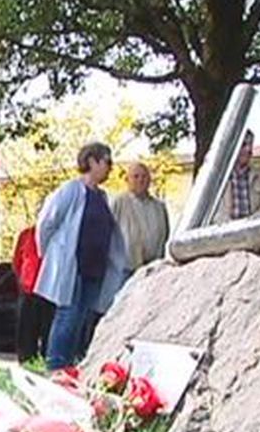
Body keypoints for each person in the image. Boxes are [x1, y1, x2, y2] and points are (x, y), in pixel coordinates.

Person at [35, 143, 130, 371]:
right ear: (92, 161)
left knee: (82, 319)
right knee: (67, 316)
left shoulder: (103, 196)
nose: (110, 168)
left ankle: (71, 366)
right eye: (107, 161)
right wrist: (52, 256)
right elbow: (47, 223)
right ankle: (56, 365)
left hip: (95, 268)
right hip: (73, 266)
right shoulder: (71, 190)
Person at [110, 162, 169, 270]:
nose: (141, 180)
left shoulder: (159, 207)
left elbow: (166, 236)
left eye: (144, 176)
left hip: (153, 268)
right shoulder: (119, 203)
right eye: (136, 176)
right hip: (125, 268)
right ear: (127, 180)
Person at [213, 129, 260, 222]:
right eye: (243, 145)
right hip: (225, 232)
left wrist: (253, 223)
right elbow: (214, 210)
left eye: (250, 145)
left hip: (253, 231)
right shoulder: (217, 178)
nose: (248, 149)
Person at [13, 225, 52, 363]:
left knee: (47, 332)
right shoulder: (26, 234)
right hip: (28, 289)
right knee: (26, 333)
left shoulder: (55, 235)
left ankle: (45, 361)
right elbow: (17, 261)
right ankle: (26, 363)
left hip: (47, 290)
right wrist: (22, 281)